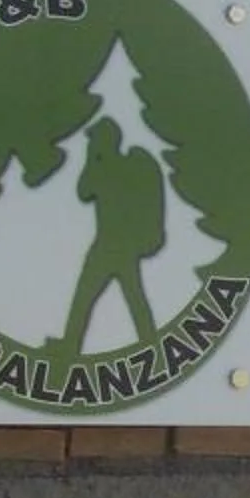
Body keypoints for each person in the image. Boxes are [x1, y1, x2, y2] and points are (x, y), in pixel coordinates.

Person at [61, 119, 167, 357]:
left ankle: (71, 344)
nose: (92, 143)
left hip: (114, 243)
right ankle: (150, 344)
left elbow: (86, 189)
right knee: (127, 294)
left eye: (95, 139)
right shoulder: (108, 166)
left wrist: (93, 159)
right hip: (112, 243)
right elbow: (84, 191)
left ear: (105, 141)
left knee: (91, 295)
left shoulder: (120, 166)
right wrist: (93, 159)